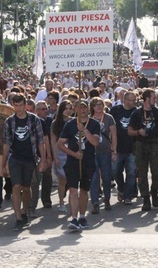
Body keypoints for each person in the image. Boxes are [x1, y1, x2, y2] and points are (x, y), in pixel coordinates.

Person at [3, 93, 46, 231]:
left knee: (26, 188)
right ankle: (18, 218)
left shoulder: (34, 120)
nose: (19, 108)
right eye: (16, 105)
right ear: (13, 105)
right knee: (16, 186)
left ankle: (25, 210)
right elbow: (6, 143)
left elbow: (41, 141)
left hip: (30, 158)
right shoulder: (9, 122)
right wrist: (4, 163)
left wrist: (43, 160)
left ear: (25, 105)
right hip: (14, 157)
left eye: (21, 105)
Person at [58, 99, 100, 231]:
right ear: (75, 110)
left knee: (83, 190)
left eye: (85, 107)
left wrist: (84, 130)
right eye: (79, 108)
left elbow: (95, 142)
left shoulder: (94, 124)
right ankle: (74, 218)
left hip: (88, 161)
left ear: (89, 109)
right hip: (73, 162)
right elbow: (60, 143)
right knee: (73, 189)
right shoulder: (70, 124)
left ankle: (82, 216)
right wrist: (73, 154)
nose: (82, 110)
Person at [128, 88, 158, 211]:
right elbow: (129, 131)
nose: (156, 100)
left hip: (155, 144)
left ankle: (154, 191)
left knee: (157, 171)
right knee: (142, 173)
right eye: (154, 98)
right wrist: (138, 132)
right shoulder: (136, 113)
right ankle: (145, 197)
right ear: (147, 99)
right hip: (141, 145)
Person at [89, 97, 116, 214]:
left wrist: (114, 151)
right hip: (93, 152)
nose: (99, 107)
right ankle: (95, 202)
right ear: (92, 107)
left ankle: (107, 199)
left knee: (106, 177)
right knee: (94, 178)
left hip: (105, 151)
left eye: (100, 104)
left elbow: (114, 135)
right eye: (96, 105)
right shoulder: (89, 119)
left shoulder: (109, 118)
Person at [110, 91, 137, 204]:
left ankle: (127, 195)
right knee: (116, 171)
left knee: (131, 172)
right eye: (131, 100)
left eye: (134, 100)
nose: (133, 102)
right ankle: (121, 189)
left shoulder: (137, 112)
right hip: (118, 147)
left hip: (132, 148)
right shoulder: (115, 110)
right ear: (124, 100)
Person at [50, 100, 74, 213]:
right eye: (66, 108)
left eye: (70, 108)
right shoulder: (55, 123)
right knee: (62, 180)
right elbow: (53, 140)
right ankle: (61, 202)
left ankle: (72, 202)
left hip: (72, 153)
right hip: (60, 153)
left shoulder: (74, 121)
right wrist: (54, 156)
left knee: (72, 180)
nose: (68, 111)